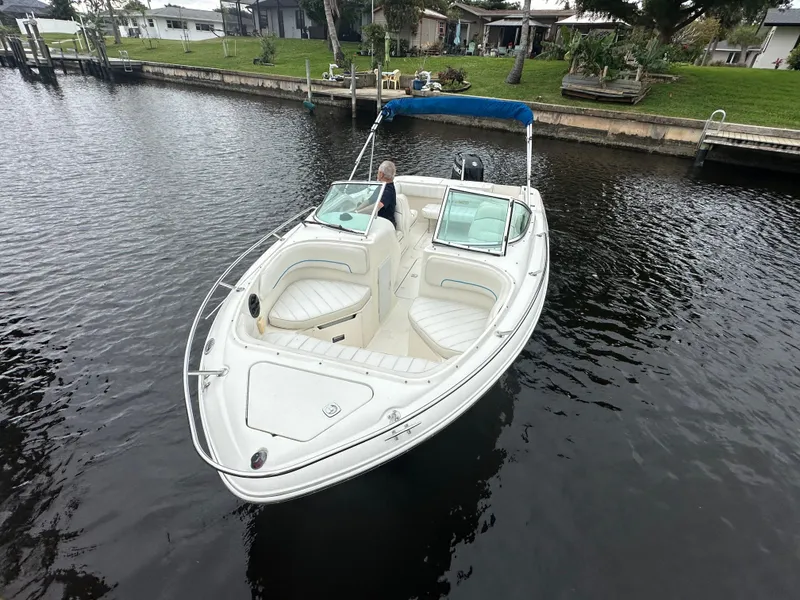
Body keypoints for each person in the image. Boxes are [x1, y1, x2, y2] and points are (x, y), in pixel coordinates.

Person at [376, 160, 397, 229]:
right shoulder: (381, 186)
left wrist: (359, 212)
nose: (377, 174)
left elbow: (377, 206)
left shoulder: (388, 190)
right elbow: (369, 201)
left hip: (387, 224)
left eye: (378, 172)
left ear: (381, 174)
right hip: (377, 220)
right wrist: (356, 210)